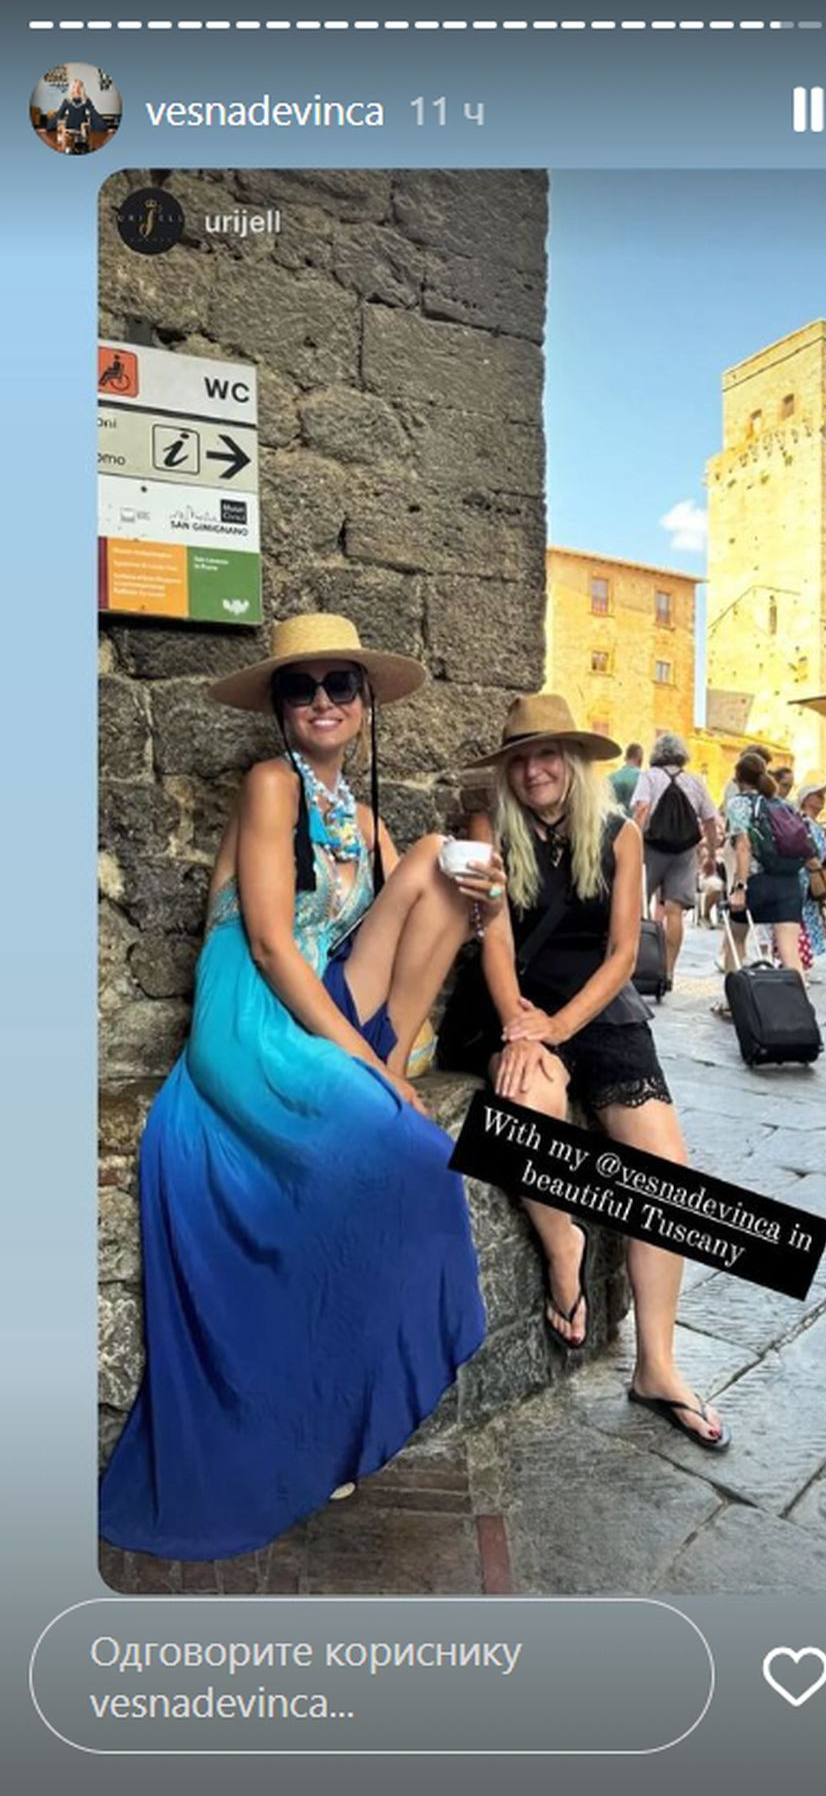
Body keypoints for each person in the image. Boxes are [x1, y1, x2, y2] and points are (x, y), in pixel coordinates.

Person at [99, 613, 499, 1560]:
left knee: (447, 864)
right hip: (250, 1008)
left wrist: (486, 916)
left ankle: (383, 1074)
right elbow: (273, 945)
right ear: (281, 708)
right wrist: (360, 1064)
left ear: (364, 706)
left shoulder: (358, 814)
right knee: (414, 1155)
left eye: (340, 685)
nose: (322, 701)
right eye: (301, 687)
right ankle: (321, 1402)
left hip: (316, 998)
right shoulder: (270, 784)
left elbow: (426, 917)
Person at [466, 694, 730, 1451]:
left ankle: (657, 1366)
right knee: (525, 1105)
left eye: (548, 755)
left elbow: (621, 955)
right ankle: (565, 1245)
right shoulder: (488, 830)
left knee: (666, 1170)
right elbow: (492, 940)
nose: (534, 771)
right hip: (518, 1004)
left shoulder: (621, 833)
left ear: (575, 761)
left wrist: (562, 1025)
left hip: (600, 1011)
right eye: (520, 759)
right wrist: (523, 1026)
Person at [717, 752, 805, 1013]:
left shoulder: (739, 803)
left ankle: (733, 1003)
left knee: (736, 939)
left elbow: (743, 846)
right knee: (789, 952)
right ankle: (800, 1011)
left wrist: (740, 887)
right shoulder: (781, 804)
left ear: (737, 777)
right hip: (789, 883)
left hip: (757, 881)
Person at [631, 733, 720, 991]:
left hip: (651, 849)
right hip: (684, 852)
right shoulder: (694, 782)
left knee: (636, 907)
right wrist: (711, 854)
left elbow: (641, 810)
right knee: (674, 911)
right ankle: (668, 970)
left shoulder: (649, 777)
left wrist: (632, 846)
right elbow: (710, 820)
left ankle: (636, 965)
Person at [796, 783, 826, 976]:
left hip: (813, 878)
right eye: (817, 795)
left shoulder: (814, 824)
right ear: (806, 799)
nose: (822, 799)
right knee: (802, 918)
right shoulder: (803, 822)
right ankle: (799, 962)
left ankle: (805, 961)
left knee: (809, 917)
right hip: (805, 877)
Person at [50, 77, 105, 152]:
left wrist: (103, 127)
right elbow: (59, 115)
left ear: (82, 89)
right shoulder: (67, 101)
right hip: (69, 130)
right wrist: (50, 127)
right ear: (71, 88)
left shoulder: (86, 100)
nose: (76, 89)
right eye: (74, 87)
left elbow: (93, 114)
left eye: (79, 87)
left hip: (82, 130)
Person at [608, 742, 643, 815]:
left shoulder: (611, 778)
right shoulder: (644, 779)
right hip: (636, 821)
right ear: (640, 760)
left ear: (625, 758)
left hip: (615, 820)